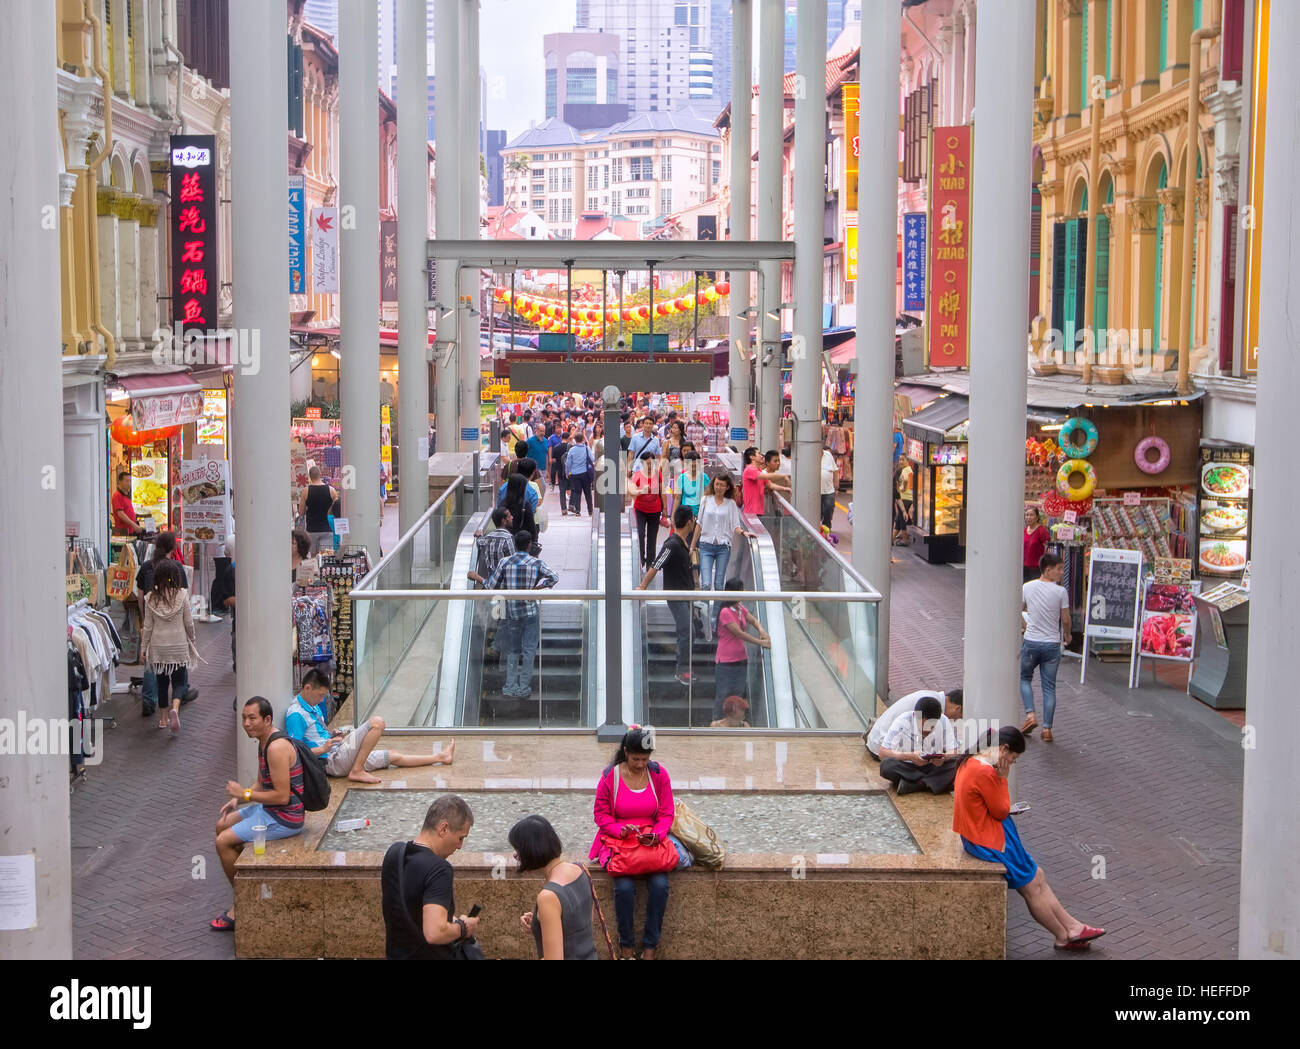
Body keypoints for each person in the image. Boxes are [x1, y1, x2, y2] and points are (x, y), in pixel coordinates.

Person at [953, 727, 1105, 949]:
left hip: (979, 836)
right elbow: (1001, 811)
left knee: (1037, 875)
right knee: (1031, 885)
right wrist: (1002, 779)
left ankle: (1072, 926)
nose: (1011, 763)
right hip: (989, 841)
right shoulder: (985, 772)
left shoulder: (971, 761)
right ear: (1004, 749)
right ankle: (1063, 935)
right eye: (1013, 758)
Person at [210, 697, 305, 931]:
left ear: (268, 719)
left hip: (285, 817)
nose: (246, 723)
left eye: (252, 718)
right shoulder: (263, 741)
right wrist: (239, 798)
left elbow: (282, 796)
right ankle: (250, 884)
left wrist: (246, 794)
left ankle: (243, 902)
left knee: (222, 842)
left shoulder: (275, 747)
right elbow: (263, 783)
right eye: (244, 717)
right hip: (270, 809)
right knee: (221, 825)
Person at [588, 727, 674, 960]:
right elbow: (601, 814)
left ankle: (649, 948)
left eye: (645, 759)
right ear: (626, 752)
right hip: (620, 843)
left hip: (650, 844)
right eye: (636, 759)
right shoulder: (610, 776)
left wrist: (656, 834)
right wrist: (619, 830)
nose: (640, 764)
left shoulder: (659, 775)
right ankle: (626, 946)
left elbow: (666, 813)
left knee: (660, 887)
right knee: (623, 889)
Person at [285, 668, 455, 784]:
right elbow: (293, 753)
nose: (322, 700)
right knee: (377, 723)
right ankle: (357, 771)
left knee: (393, 756)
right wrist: (323, 749)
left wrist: (332, 736)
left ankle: (440, 757)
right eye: (320, 695)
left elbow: (316, 736)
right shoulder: (296, 714)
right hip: (332, 761)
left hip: (339, 752)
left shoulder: (312, 706)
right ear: (307, 688)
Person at [381, 795, 482, 959]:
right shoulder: (439, 869)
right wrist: (463, 928)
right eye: (460, 837)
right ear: (443, 829)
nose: (460, 845)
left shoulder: (395, 852)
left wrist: (451, 920)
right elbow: (434, 933)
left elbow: (408, 903)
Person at [511, 815, 599, 960]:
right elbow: (582, 923)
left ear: (531, 850)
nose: (516, 856)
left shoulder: (548, 896)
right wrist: (539, 925)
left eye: (518, 849)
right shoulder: (580, 869)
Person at [485, 530, 559, 701]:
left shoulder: (505, 562)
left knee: (512, 650)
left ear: (515, 545)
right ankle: (523, 687)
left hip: (511, 613)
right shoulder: (536, 563)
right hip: (530, 612)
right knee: (529, 650)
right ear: (528, 545)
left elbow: (491, 586)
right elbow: (554, 577)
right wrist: (536, 589)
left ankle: (509, 687)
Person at [134, 532, 198, 716]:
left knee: (152, 663)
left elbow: (140, 595)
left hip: (152, 620)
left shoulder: (146, 567)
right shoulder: (176, 567)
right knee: (179, 662)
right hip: (175, 627)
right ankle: (181, 694)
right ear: (172, 547)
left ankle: (149, 700)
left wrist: (143, 615)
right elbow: (183, 595)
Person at [638, 506, 697, 687]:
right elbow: (656, 564)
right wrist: (642, 587)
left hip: (685, 596)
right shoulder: (672, 544)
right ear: (689, 522)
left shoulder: (683, 542)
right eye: (693, 519)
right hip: (676, 597)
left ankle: (684, 667)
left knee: (689, 632)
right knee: (687, 632)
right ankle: (681, 670)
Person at [1021, 552, 1071, 742]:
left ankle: (1030, 714)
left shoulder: (1027, 587)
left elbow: (1016, 609)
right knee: (1049, 687)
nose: (1061, 573)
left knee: (1024, 678)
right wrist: (1067, 635)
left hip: (1031, 641)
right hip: (1051, 644)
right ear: (1047, 569)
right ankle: (1047, 729)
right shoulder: (1060, 592)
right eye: (1058, 569)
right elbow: (1065, 619)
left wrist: (1024, 626)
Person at [691, 473, 752, 628]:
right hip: (706, 544)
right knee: (705, 584)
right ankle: (704, 615)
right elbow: (699, 524)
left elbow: (735, 526)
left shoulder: (731, 504)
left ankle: (715, 618)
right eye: (717, 484)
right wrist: (692, 546)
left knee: (719, 583)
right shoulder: (706, 500)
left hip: (723, 546)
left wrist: (744, 533)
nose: (719, 488)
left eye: (722, 485)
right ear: (713, 485)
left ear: (727, 487)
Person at [876, 695, 961, 795]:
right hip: (907, 766)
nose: (927, 730)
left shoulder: (943, 720)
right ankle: (931, 783)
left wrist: (944, 757)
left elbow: (954, 752)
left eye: (932, 727)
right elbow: (882, 753)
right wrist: (910, 756)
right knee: (886, 765)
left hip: (932, 766)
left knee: (959, 764)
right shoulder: (902, 721)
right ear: (915, 716)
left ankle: (915, 785)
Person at [713, 579, 770, 718]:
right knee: (723, 693)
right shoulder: (725, 611)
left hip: (740, 659)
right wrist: (759, 642)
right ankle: (718, 721)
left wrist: (761, 630)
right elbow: (739, 633)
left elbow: (753, 620)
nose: (744, 592)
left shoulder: (739, 607)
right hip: (726, 661)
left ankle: (734, 721)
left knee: (738, 692)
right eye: (741, 589)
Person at [864, 688, 963, 760]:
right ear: (957, 708)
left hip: (876, 739)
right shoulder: (932, 707)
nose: (955, 719)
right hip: (882, 747)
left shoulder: (931, 697)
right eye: (959, 716)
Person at [629, 450, 665, 570]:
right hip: (640, 509)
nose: (650, 466)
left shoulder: (657, 474)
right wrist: (641, 491)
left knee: (652, 536)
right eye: (647, 463)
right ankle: (641, 557)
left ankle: (650, 563)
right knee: (640, 533)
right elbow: (632, 492)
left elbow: (662, 491)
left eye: (651, 463)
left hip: (655, 509)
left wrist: (664, 509)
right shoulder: (637, 475)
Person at [468, 507, 515, 585]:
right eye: (509, 516)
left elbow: (480, 541)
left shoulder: (488, 538)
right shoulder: (508, 538)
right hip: (505, 585)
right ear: (503, 521)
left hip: (492, 581)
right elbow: (513, 563)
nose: (512, 517)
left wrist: (479, 535)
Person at [299, 466, 338, 555]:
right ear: (320, 474)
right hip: (327, 529)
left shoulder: (306, 491)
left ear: (310, 476)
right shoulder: (331, 490)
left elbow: (301, 512)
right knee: (325, 557)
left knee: (314, 559)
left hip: (312, 529)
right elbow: (337, 509)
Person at [740, 447, 790, 516]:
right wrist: (783, 476)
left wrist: (784, 489)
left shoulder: (758, 471)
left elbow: (769, 484)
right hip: (751, 512)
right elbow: (766, 477)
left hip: (758, 511)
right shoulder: (749, 469)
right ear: (752, 457)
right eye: (758, 453)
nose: (761, 456)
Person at [498, 470, 538, 540]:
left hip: (505, 539)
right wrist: (534, 540)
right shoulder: (525, 505)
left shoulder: (503, 504)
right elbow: (531, 526)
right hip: (522, 541)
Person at [565, 430, 596, 516]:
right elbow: (592, 459)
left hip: (575, 474)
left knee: (577, 492)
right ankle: (590, 511)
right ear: (583, 439)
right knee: (587, 493)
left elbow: (568, 463)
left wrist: (567, 472)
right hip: (585, 473)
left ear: (575, 439)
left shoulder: (572, 450)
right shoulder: (586, 448)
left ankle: (578, 511)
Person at [112, 468, 145, 537]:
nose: (129, 483)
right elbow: (120, 514)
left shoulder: (126, 495)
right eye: (127, 481)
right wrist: (134, 525)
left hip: (131, 530)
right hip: (123, 532)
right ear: (120, 482)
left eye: (130, 481)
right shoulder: (117, 495)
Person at [676, 452, 710, 519]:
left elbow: (708, 496)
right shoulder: (681, 478)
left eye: (696, 465)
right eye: (691, 466)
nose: (694, 468)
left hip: (701, 514)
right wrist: (673, 516)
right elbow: (677, 498)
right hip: (685, 514)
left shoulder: (704, 477)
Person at [1023, 506, 1050, 584]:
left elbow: (1047, 547)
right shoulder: (1025, 531)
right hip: (1024, 567)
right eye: (1027, 515)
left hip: (1036, 568)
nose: (1028, 517)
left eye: (1031, 515)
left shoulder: (1041, 531)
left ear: (1037, 517)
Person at [820, 441, 842, 531]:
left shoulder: (828, 455)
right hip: (816, 491)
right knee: (818, 512)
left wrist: (836, 483)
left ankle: (827, 528)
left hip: (829, 490)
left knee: (829, 508)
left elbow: (835, 470)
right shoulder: (810, 456)